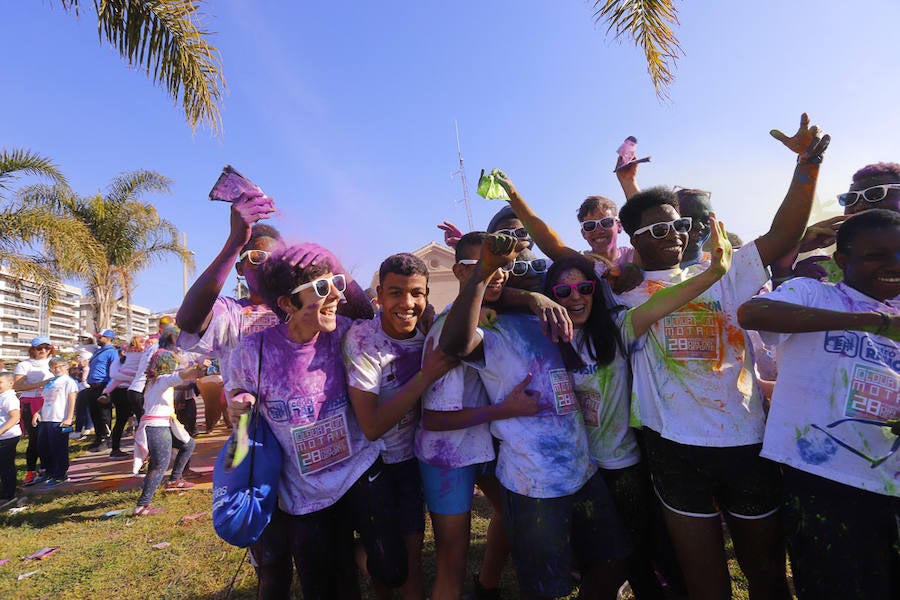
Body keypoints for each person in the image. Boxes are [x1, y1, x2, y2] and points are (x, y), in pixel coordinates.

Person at [612, 114, 828, 600]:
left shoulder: (726, 270)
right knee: (706, 585)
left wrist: (806, 166)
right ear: (635, 240)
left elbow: (783, 234)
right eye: (660, 229)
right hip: (674, 450)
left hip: (746, 440)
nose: (676, 234)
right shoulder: (623, 295)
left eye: (681, 225)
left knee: (768, 578)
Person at [545, 213, 732, 598]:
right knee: (597, 561)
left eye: (583, 288)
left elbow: (663, 302)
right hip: (573, 473)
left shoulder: (617, 329)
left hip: (622, 468)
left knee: (636, 554)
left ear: (595, 291)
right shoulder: (543, 341)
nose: (575, 297)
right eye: (563, 293)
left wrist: (713, 273)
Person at [441, 232, 631, 600]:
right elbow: (455, 345)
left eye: (534, 266)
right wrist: (485, 274)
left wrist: (535, 297)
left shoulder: (553, 316)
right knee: (547, 587)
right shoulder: (487, 323)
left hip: (582, 468)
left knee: (612, 563)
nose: (526, 272)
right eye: (517, 267)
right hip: (532, 481)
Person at [228, 246, 422, 599]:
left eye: (334, 283)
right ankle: (339, 562)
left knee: (393, 569)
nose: (336, 294)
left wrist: (332, 258)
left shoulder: (346, 333)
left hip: (359, 472)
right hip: (303, 494)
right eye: (321, 289)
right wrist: (240, 403)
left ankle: (346, 557)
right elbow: (239, 393)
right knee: (327, 591)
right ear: (287, 304)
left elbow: (366, 309)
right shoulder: (252, 351)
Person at [737, 208, 899, 600]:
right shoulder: (813, 292)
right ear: (842, 261)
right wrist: (871, 322)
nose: (893, 264)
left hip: (890, 476)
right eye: (877, 255)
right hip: (820, 474)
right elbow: (753, 311)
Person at [416, 231, 542, 600]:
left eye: (501, 266)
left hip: (481, 445)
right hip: (446, 455)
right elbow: (435, 420)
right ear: (457, 272)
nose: (495, 274)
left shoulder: (492, 317)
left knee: (508, 514)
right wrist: (506, 409)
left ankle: (487, 585)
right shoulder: (448, 332)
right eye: (480, 267)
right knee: (451, 556)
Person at [342, 253, 457, 600]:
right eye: (395, 293)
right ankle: (339, 555)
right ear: (379, 294)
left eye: (416, 293)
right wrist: (426, 376)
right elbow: (372, 426)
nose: (407, 303)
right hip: (367, 464)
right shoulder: (363, 341)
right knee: (387, 564)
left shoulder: (429, 335)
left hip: (409, 460)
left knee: (409, 556)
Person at [771, 161, 900, 285]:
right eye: (850, 199)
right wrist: (784, 273)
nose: (859, 207)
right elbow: (773, 305)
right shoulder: (830, 272)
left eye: (875, 194)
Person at [132, 350, 201, 516]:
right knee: (158, 466)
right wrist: (199, 367)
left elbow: (183, 382)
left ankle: (175, 479)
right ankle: (142, 506)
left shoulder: (154, 381)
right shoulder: (162, 380)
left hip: (164, 423)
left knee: (188, 444)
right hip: (157, 426)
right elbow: (183, 376)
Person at [32, 357, 78, 486]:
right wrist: (38, 412)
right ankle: (49, 472)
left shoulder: (68, 382)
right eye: (54, 367)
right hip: (46, 418)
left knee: (58, 447)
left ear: (66, 366)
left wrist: (69, 417)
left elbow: (72, 400)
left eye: (60, 366)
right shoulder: (51, 382)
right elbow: (46, 400)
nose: (57, 369)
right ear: (50, 369)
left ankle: (60, 474)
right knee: (43, 447)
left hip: (58, 418)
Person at [14, 336, 53, 485]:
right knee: (35, 439)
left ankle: (48, 468)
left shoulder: (55, 363)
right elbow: (17, 386)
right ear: (33, 349)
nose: (43, 351)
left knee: (51, 437)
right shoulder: (25, 365)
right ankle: (31, 471)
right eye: (39, 348)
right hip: (31, 403)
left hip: (51, 403)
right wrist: (41, 384)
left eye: (47, 347)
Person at [102, 335, 147, 458]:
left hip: (119, 390)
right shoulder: (140, 356)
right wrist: (133, 378)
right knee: (140, 419)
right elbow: (114, 374)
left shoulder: (127, 357)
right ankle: (142, 450)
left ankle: (116, 449)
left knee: (121, 421)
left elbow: (116, 376)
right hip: (131, 391)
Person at [81, 329, 118, 451]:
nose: (98, 339)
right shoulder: (98, 351)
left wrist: (108, 390)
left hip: (103, 385)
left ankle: (106, 439)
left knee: (103, 414)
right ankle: (98, 437)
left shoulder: (112, 352)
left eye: (100, 337)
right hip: (92, 385)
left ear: (108, 338)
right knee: (94, 413)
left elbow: (114, 371)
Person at [0, 372, 22, 508]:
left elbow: (15, 417)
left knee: (6, 466)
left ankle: (9, 495)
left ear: (10, 383)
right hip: (3, 436)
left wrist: (1, 431)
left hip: (7, 437)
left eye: (0, 382)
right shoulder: (2, 397)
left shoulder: (9, 398)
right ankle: (5, 490)